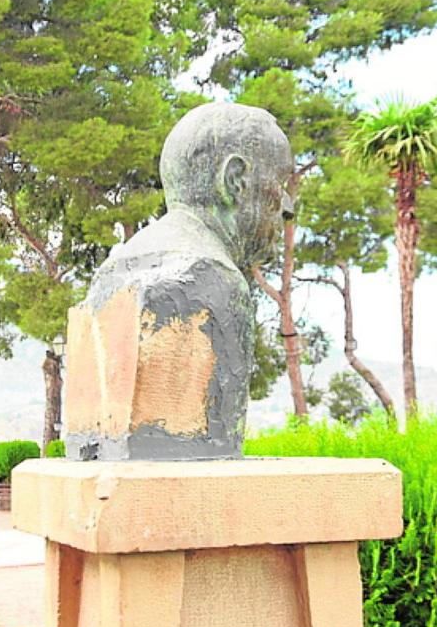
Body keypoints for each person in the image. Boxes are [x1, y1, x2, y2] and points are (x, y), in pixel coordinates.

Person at [62, 102, 294, 461]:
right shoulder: (213, 281)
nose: (288, 207)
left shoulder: (115, 270)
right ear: (235, 180)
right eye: (280, 182)